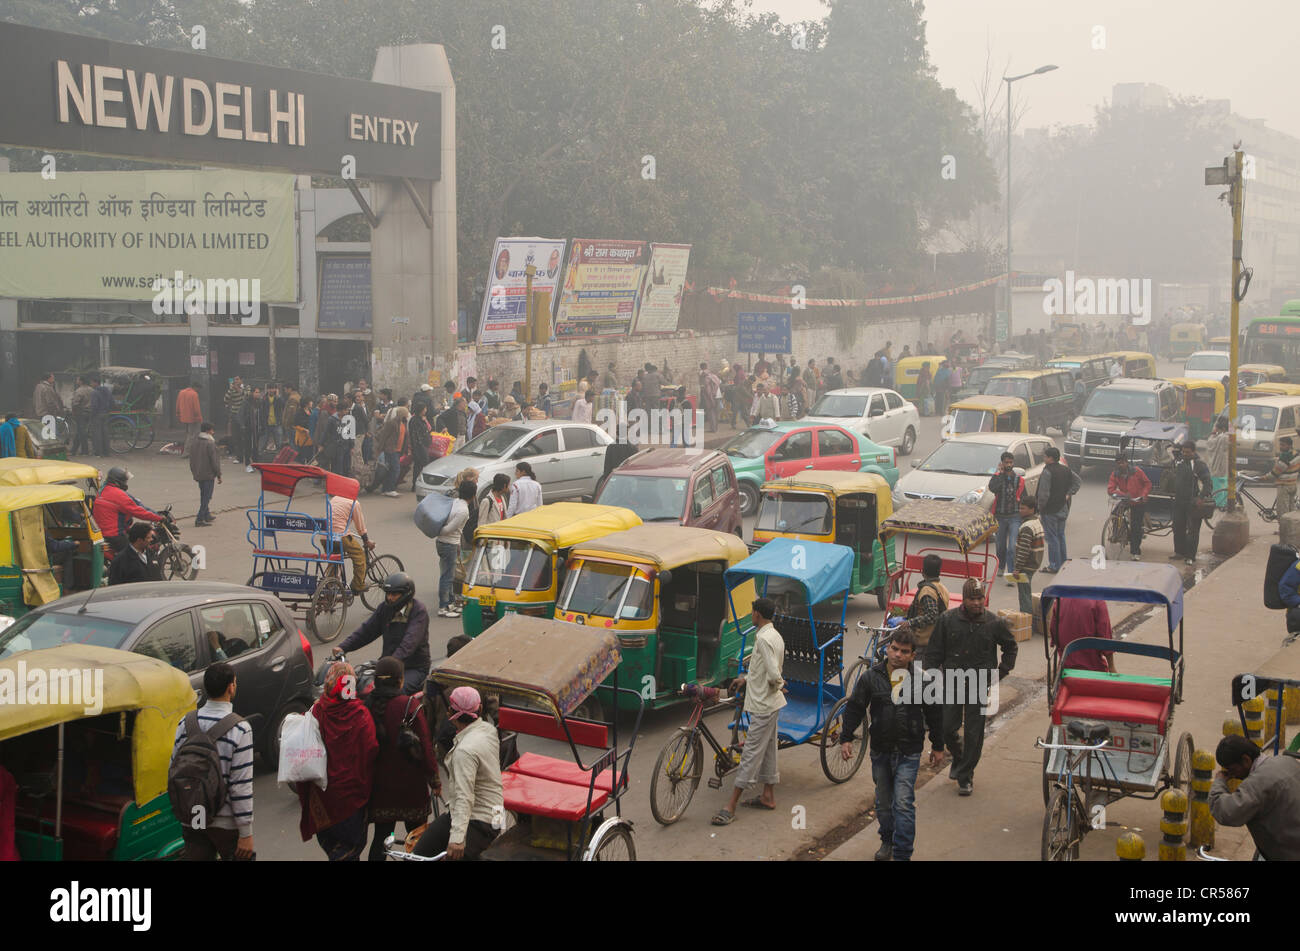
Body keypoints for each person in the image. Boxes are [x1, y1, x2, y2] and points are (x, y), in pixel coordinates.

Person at [839, 628, 943, 861]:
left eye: (904, 651)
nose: (897, 654)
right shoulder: (871, 677)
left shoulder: (923, 681)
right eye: (894, 649)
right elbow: (855, 707)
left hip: (909, 751)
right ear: (887, 648)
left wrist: (938, 745)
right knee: (884, 804)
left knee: (903, 803)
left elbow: (935, 714)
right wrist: (846, 738)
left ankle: (902, 854)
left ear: (912, 655)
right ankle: (887, 840)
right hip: (881, 751)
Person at [924, 578, 1017, 796]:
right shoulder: (947, 620)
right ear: (964, 599)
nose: (977, 603)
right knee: (947, 728)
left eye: (980, 598)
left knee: (974, 733)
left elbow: (1010, 647)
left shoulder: (994, 623)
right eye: (972, 598)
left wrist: (1002, 671)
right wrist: (930, 676)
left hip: (979, 683)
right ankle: (959, 757)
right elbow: (934, 651)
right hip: (952, 682)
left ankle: (965, 776)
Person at [169, 662, 254, 861]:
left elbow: (173, 768)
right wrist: (246, 833)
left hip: (193, 819)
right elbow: (240, 786)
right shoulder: (240, 729)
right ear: (231, 687)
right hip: (225, 825)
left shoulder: (185, 723)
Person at [295, 661, 378, 861]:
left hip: (324, 799)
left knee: (336, 848)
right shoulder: (360, 714)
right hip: (351, 798)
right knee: (348, 850)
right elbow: (371, 750)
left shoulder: (316, 712)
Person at [713, 598, 785, 826]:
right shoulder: (774, 635)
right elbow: (762, 666)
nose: (751, 615)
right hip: (771, 703)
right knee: (769, 748)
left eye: (752, 612)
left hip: (764, 705)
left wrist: (780, 684)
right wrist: (745, 679)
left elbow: (772, 673)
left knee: (751, 753)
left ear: (757, 615)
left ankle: (730, 806)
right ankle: (768, 796)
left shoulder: (763, 639)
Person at [412, 686, 503, 860]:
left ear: (450, 713)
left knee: (430, 855)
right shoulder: (488, 730)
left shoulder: (464, 751)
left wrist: (457, 839)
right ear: (480, 709)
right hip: (495, 813)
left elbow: (464, 796)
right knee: (420, 852)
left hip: (480, 819)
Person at [364, 657, 439, 861]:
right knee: (416, 839)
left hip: (381, 789)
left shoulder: (367, 706)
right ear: (400, 680)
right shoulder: (409, 705)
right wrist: (435, 781)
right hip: (411, 789)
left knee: (383, 837)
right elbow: (426, 747)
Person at [1209, 734, 1300, 861]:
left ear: (1246, 760)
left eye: (1232, 769)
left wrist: (1219, 782)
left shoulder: (1257, 784)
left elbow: (1226, 812)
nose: (1232, 775)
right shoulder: (1286, 761)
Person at [92, 467, 163, 554]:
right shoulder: (119, 495)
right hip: (114, 535)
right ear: (118, 481)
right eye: (124, 480)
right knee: (135, 553)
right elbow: (139, 511)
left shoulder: (102, 490)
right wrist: (159, 518)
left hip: (101, 532)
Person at [1036, 446, 1080, 573]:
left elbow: (1043, 494)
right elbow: (1078, 482)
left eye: (1045, 456)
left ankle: (1054, 565)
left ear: (1050, 458)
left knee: (1052, 538)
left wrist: (1039, 508)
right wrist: (1069, 494)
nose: (1044, 458)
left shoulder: (1047, 471)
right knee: (1060, 536)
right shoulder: (1066, 469)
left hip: (1050, 510)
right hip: (1063, 508)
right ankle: (1062, 562)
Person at [1171, 439, 1213, 565]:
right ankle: (1179, 552)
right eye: (1183, 452)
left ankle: (1190, 557)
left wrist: (1200, 497)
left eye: (1188, 452)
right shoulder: (1179, 462)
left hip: (1193, 503)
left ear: (1193, 452)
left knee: (1193, 531)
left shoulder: (1199, 465)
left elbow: (1208, 483)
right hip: (1179, 502)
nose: (1185, 454)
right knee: (1177, 527)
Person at [894, 553, 949, 648]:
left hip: (923, 642)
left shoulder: (927, 591)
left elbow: (932, 616)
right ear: (939, 572)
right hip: (936, 638)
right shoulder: (942, 588)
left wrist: (909, 623)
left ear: (923, 572)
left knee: (913, 658)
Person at [1048, 597, 1116, 673]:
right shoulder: (1097, 600)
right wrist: (1111, 666)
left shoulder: (1059, 600)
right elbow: (1105, 635)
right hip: (1093, 669)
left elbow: (1054, 634)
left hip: (1066, 668)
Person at [435, 483, 473, 618]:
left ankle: (450, 603)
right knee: (447, 577)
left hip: (444, 543)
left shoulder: (455, 502)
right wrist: (438, 530)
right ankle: (443, 607)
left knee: (448, 575)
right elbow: (449, 529)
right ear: (473, 496)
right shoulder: (464, 511)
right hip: (448, 544)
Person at [988, 452, 1024, 582]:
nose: (1009, 465)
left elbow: (1023, 498)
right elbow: (993, 488)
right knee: (1000, 546)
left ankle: (1011, 574)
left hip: (1015, 517)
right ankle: (1001, 566)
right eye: (1006, 462)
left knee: (1012, 547)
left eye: (1011, 462)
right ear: (1002, 463)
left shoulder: (1019, 479)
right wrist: (1001, 474)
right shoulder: (997, 477)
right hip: (1000, 517)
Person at [1107, 456, 1152, 560]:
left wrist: (1144, 495)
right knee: (1114, 515)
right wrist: (1122, 494)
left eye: (1122, 463)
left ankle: (1135, 552)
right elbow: (1110, 489)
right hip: (1126, 500)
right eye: (1118, 463)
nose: (1120, 465)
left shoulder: (1137, 471)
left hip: (1138, 501)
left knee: (1136, 527)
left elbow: (1148, 484)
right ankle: (1117, 534)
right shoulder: (1115, 474)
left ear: (1127, 462)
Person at [1012, 496, 1045, 614]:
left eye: (1023, 508)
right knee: (1026, 591)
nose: (1020, 510)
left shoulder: (1027, 527)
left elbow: (1024, 550)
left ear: (1032, 509)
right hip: (1034, 563)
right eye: (1020, 508)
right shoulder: (1036, 521)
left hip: (1027, 565)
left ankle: (1026, 618)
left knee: (1024, 594)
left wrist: (1017, 568)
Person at [190, 422, 222, 527]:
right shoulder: (210, 443)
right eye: (212, 430)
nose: (213, 432)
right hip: (208, 474)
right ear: (208, 431)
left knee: (203, 494)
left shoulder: (195, 442)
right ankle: (199, 519)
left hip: (199, 473)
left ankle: (206, 514)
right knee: (206, 497)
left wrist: (194, 471)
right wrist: (218, 474)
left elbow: (191, 459)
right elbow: (214, 461)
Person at [376, 405, 410, 497]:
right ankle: (389, 489)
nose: (407, 415)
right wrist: (379, 448)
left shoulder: (403, 423)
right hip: (391, 449)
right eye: (406, 413)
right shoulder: (392, 423)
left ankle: (386, 489)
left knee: (391, 469)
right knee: (395, 469)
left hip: (399, 450)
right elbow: (384, 436)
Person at [1267, 435, 1300, 524]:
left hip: (1284, 486)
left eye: (1283, 445)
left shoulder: (1285, 456)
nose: (1280, 447)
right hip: (1293, 485)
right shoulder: (1296, 453)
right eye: (1280, 444)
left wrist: (1264, 477)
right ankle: (1292, 528)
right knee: (1291, 510)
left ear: (1289, 445)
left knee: (1283, 511)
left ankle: (1283, 529)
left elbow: (1276, 472)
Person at [408, 403, 433, 493]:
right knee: (421, 465)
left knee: (418, 466)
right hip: (419, 446)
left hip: (422, 445)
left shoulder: (421, 419)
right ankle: (418, 485)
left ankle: (416, 485)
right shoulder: (415, 421)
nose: (426, 410)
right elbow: (416, 435)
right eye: (425, 409)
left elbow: (429, 429)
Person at [1206, 416, 1230, 509]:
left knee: (1217, 487)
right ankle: (1223, 503)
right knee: (1224, 485)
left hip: (1217, 468)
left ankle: (1219, 504)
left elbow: (1210, 444)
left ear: (1222, 428)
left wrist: (1213, 433)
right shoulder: (1229, 436)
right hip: (1225, 467)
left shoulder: (1222, 437)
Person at [239, 386, 265, 472]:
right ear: (252, 393)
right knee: (248, 446)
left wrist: (262, 425)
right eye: (256, 392)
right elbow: (241, 414)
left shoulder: (260, 402)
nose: (258, 394)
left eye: (259, 392)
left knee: (256, 447)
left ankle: (255, 463)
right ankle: (247, 464)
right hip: (248, 427)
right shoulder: (246, 402)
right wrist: (243, 425)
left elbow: (262, 415)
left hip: (257, 428)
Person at [70, 375, 94, 456]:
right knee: (80, 431)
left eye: (77, 380)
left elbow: (75, 403)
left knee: (81, 432)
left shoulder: (79, 391)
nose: (77, 381)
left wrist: (73, 411)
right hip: (90, 412)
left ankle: (85, 450)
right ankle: (74, 450)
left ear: (81, 381)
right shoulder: (91, 390)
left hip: (81, 413)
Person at [175, 382, 202, 457]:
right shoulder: (194, 394)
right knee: (193, 435)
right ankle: (187, 452)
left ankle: (188, 451)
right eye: (199, 389)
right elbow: (196, 408)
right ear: (196, 387)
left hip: (183, 417)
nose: (198, 391)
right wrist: (199, 418)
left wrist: (178, 414)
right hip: (193, 418)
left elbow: (177, 404)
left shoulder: (181, 392)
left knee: (189, 434)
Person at [90, 376, 114, 457]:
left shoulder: (94, 392)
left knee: (97, 434)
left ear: (95, 383)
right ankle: (106, 452)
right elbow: (112, 402)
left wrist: (92, 415)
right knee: (105, 433)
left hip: (97, 414)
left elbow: (94, 406)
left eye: (92, 383)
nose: (91, 384)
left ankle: (98, 452)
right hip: (106, 414)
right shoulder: (107, 390)